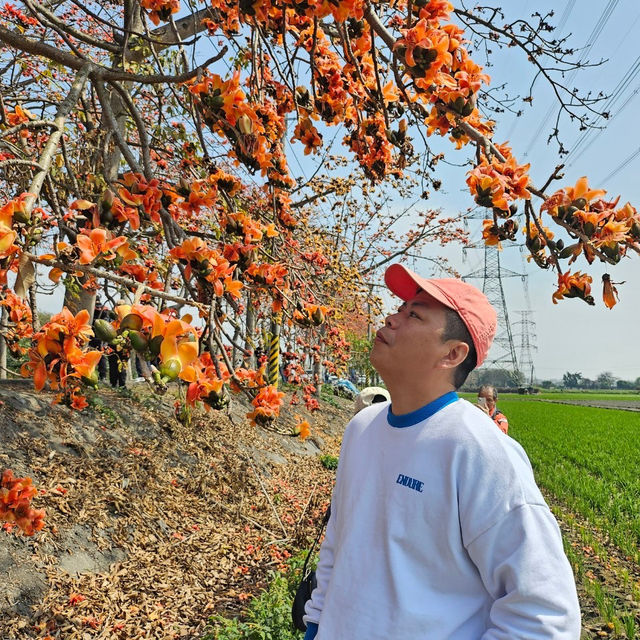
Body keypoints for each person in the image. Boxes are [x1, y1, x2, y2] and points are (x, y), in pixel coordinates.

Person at [303, 263, 580, 640]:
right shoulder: (362, 428)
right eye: (399, 309)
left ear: (452, 353)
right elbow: (339, 543)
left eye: (413, 314)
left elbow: (544, 615)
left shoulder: (479, 450)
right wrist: (316, 622)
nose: (392, 317)